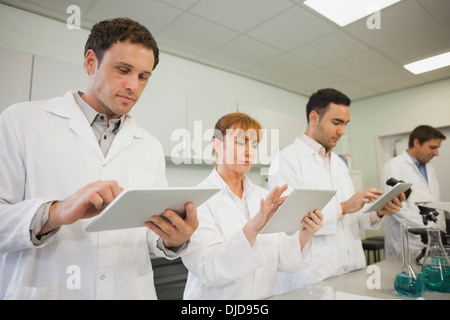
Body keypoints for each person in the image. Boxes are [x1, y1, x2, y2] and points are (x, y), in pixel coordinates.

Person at [0, 18, 198, 299]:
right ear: (91, 62)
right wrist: (55, 213)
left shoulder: (150, 146)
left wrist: (174, 239)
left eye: (143, 76)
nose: (134, 86)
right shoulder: (22, 121)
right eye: (123, 70)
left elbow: (150, 234)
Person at [268, 88, 405, 293]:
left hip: (353, 270)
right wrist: (342, 207)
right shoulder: (286, 160)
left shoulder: (339, 163)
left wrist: (378, 211)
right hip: (314, 277)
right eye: (336, 122)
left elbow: (351, 216)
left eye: (345, 124)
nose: (342, 131)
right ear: (314, 117)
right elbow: (290, 225)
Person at [181, 113, 323, 299]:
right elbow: (208, 269)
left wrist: (304, 234)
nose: (250, 151)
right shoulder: (197, 200)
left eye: (255, 144)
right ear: (217, 144)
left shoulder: (263, 196)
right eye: (241, 142)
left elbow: (280, 259)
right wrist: (253, 227)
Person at [381, 125, 446, 259]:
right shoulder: (394, 166)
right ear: (416, 143)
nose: (436, 153)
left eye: (437, 148)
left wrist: (439, 230)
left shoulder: (430, 169)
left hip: (432, 240)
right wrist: (430, 226)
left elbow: (436, 202)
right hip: (407, 243)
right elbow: (396, 208)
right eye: (433, 147)